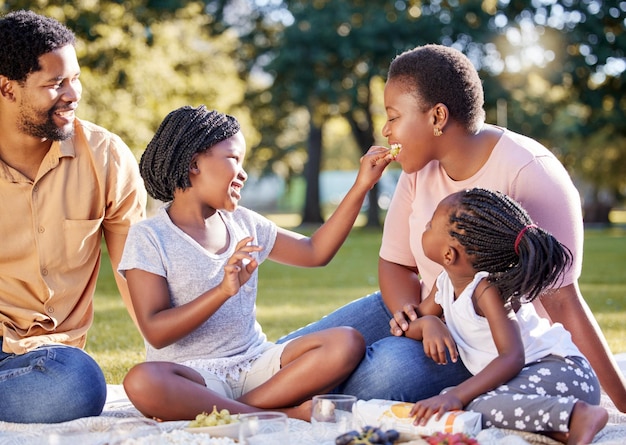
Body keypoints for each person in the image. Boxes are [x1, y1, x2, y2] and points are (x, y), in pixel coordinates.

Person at [278, 43, 626, 412]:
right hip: (421, 306)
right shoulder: (418, 168)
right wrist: (416, 320)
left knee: (381, 375)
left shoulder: (530, 173)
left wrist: (621, 400)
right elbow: (395, 263)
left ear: (437, 116)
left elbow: (562, 300)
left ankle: (299, 403)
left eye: (394, 117)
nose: (385, 129)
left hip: (481, 335)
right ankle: (258, 398)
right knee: (288, 355)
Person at [117, 105, 392, 421]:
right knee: (142, 381)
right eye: (234, 159)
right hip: (195, 378)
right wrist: (223, 290)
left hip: (256, 365)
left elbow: (316, 252)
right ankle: (279, 412)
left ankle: (243, 411)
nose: (244, 173)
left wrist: (362, 185)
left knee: (346, 341)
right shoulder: (149, 236)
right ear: (194, 163)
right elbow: (156, 331)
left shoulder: (244, 223)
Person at [0, 10, 146, 423]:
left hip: (48, 360)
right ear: (7, 88)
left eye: (75, 78)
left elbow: (135, 271)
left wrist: (174, 356)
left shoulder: (105, 156)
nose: (72, 94)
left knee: (78, 385)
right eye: (54, 84)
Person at [404, 187, 608, 445]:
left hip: (563, 374)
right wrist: (428, 323)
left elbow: (512, 357)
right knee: (457, 403)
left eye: (431, 224)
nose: (426, 225)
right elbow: (407, 327)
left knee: (467, 403)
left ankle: (578, 415)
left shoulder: (487, 290)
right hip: (532, 384)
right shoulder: (444, 284)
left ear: (449, 254)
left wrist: (457, 394)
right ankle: (561, 428)